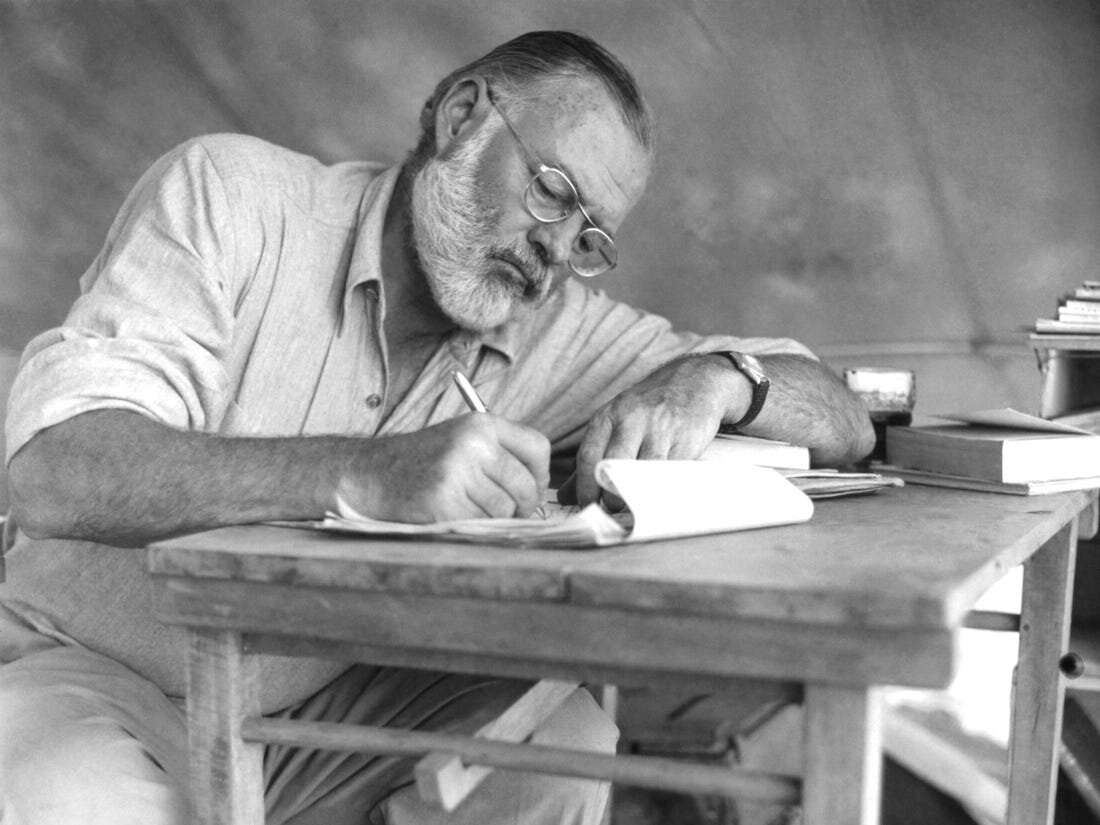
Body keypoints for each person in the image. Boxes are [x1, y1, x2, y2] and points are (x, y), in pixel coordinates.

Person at [0, 29, 874, 825]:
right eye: (552, 191)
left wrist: (721, 378)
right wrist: (366, 474)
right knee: (74, 800)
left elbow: (847, 418)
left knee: (556, 749)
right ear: (463, 117)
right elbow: (55, 468)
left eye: (590, 238)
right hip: (95, 668)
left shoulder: (556, 327)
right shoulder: (230, 197)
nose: (554, 251)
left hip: (316, 708)